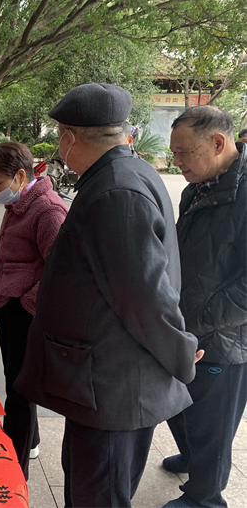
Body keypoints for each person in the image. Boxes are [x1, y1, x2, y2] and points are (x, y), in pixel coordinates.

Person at [14, 83, 201, 508]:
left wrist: (181, 352)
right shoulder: (125, 172)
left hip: (115, 385)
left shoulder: (116, 192)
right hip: (101, 381)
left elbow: (144, 298)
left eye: (59, 136)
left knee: (99, 494)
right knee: (88, 485)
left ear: (69, 137)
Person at [161, 106, 247, 508]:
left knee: (212, 423)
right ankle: (194, 460)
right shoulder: (198, 187)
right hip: (188, 324)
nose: (176, 162)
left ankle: (205, 498)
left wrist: (200, 321)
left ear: (217, 142)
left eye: (184, 153)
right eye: (173, 153)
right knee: (179, 407)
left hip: (224, 336)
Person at [0, 142, 68, 479]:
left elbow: (60, 269)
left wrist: (28, 302)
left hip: (24, 310)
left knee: (19, 389)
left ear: (21, 176)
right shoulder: (21, 202)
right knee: (15, 376)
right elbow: (6, 245)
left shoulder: (48, 210)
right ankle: (32, 440)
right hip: (8, 301)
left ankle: (15, 470)